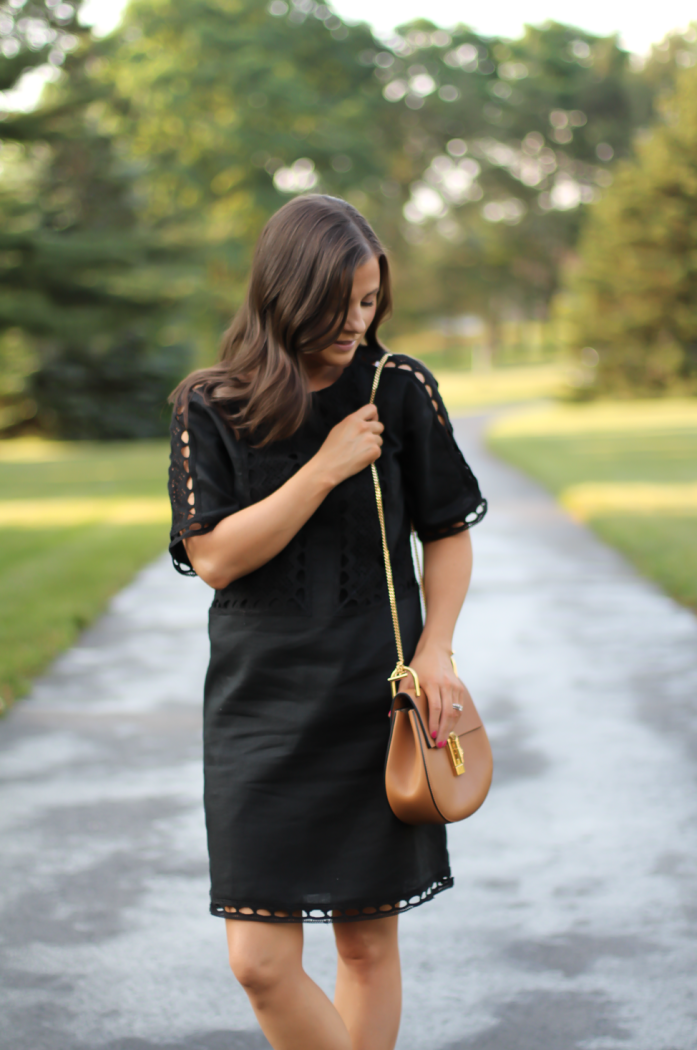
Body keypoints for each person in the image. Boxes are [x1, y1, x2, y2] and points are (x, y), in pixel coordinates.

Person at [167, 194, 486, 1050]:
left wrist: (437, 648)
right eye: (340, 301)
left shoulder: (397, 388)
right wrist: (325, 467)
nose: (356, 321)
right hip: (258, 713)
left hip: (371, 704)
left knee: (367, 946)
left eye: (370, 301)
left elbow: (447, 534)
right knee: (259, 962)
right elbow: (216, 559)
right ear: (286, 291)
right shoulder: (211, 405)